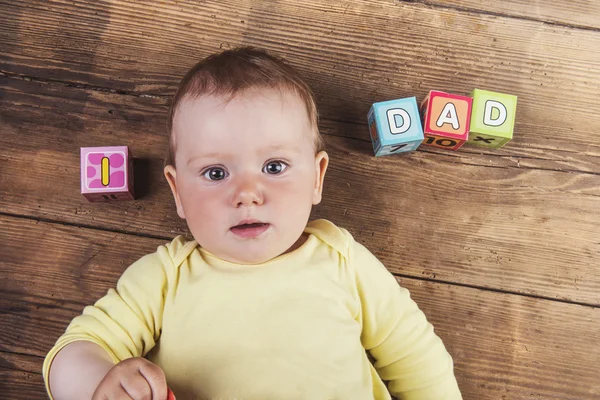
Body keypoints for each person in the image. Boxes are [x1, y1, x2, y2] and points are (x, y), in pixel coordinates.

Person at [43, 46, 462, 400]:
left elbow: (417, 358)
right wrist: (102, 384)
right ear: (177, 192)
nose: (247, 193)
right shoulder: (166, 277)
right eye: (215, 173)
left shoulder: (342, 260)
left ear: (316, 178)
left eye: (274, 166)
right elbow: (74, 350)